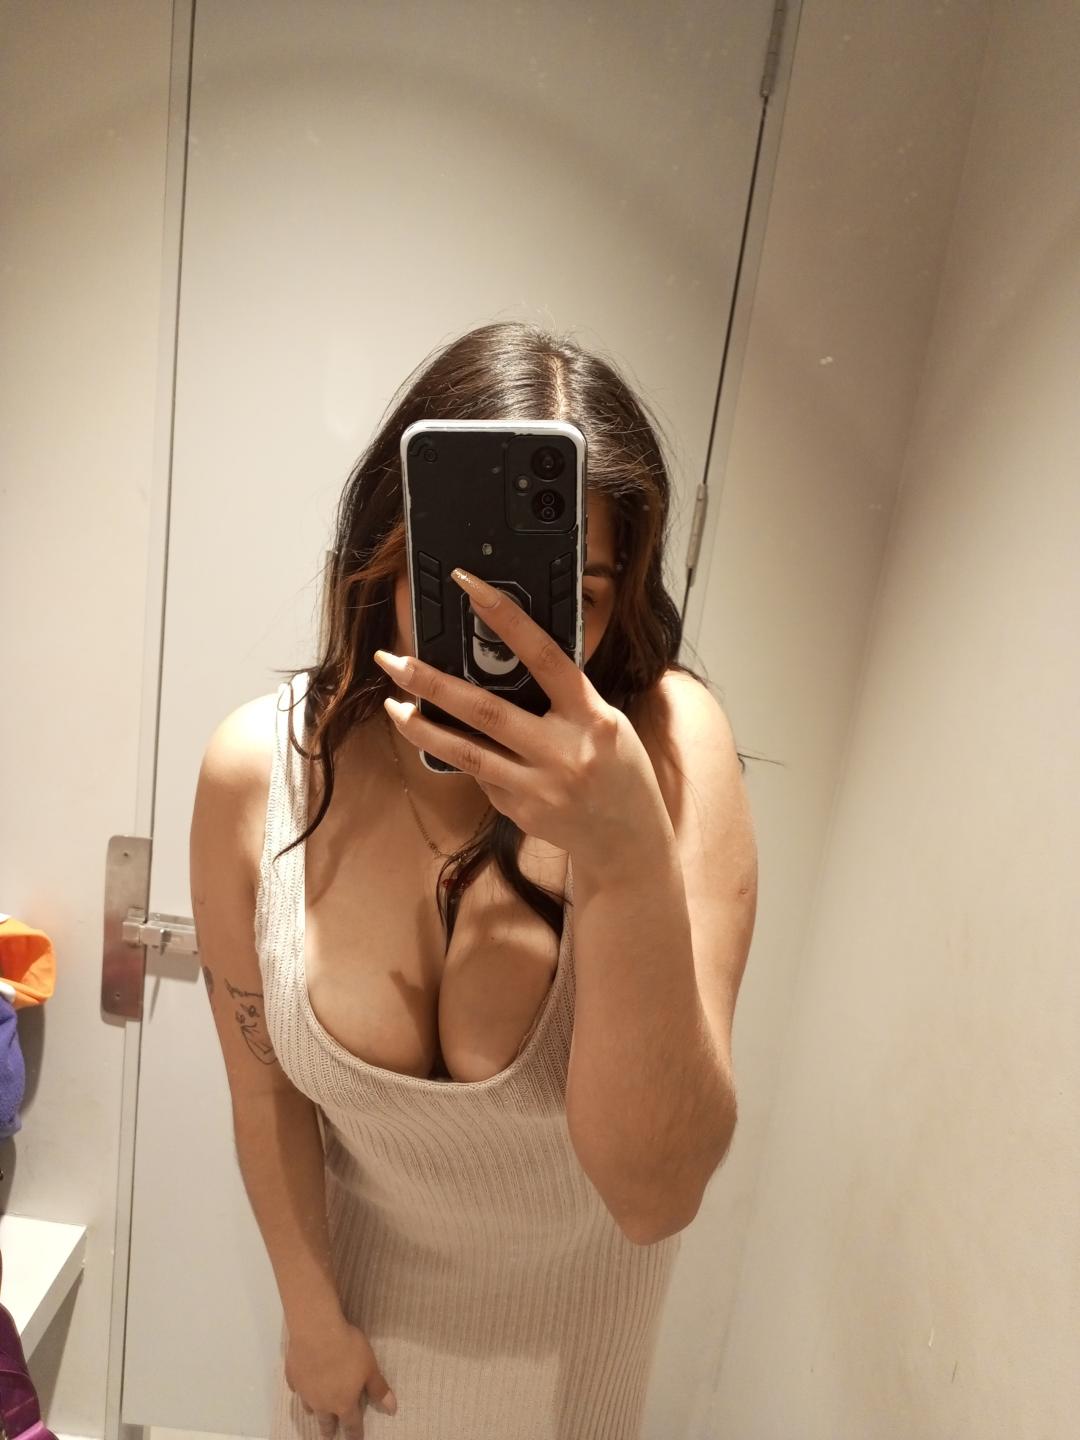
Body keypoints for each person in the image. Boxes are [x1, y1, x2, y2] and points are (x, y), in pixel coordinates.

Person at [189, 321, 753, 1439]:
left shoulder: (669, 750)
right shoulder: (262, 770)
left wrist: (623, 855)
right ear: (390, 554)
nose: (512, 634)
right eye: (469, 581)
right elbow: (264, 1093)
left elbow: (655, 1197)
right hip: (348, 1347)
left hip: (570, 1370)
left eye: (572, 597)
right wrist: (309, 1319)